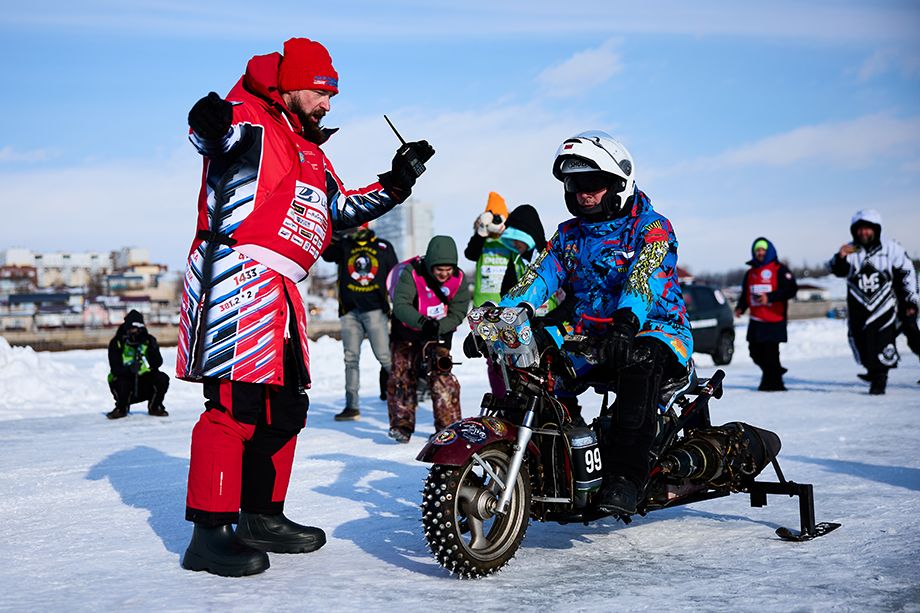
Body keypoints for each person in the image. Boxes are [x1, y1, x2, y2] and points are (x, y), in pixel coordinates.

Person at [175, 37, 434, 577]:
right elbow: (212, 137)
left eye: (331, 95)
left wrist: (398, 180)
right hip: (235, 279)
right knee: (233, 409)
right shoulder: (246, 118)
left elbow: (342, 208)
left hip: (285, 291)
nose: (327, 104)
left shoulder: (310, 147)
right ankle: (210, 533)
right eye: (320, 92)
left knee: (285, 408)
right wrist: (206, 118)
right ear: (288, 84)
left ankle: (261, 516)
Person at [486, 130, 693, 516]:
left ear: (619, 183)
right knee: (531, 356)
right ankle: (556, 454)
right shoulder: (569, 235)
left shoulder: (651, 227)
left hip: (655, 331)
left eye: (593, 183)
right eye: (575, 183)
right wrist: (501, 319)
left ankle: (625, 478)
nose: (583, 192)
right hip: (591, 336)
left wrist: (626, 322)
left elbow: (644, 279)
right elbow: (539, 278)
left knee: (640, 361)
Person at [387, 235, 470, 443]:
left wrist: (439, 327)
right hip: (407, 332)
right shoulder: (412, 273)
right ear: (430, 264)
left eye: (448, 270)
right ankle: (402, 426)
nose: (444, 274)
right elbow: (401, 305)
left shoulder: (458, 280)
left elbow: (458, 312)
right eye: (439, 269)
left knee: (442, 376)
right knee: (402, 376)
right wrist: (423, 322)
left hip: (437, 334)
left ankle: (447, 426)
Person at [829, 209, 919, 395]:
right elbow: (837, 270)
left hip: (893, 303)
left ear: (876, 229)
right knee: (862, 339)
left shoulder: (891, 248)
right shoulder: (851, 249)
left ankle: (879, 378)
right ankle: (873, 371)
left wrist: (910, 301)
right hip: (861, 306)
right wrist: (840, 257)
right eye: (860, 229)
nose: (864, 233)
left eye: (868, 229)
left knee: (906, 336)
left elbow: (907, 273)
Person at [321, 224, 398, 420]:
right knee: (350, 359)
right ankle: (351, 406)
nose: (356, 230)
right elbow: (327, 254)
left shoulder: (383, 246)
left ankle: (403, 399)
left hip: (375, 310)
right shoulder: (344, 245)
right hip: (349, 311)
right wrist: (333, 231)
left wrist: (398, 306)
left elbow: (396, 277)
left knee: (385, 357)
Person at [734, 238, 798, 391]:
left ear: (769, 251)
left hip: (774, 319)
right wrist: (740, 308)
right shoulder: (750, 273)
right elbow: (746, 294)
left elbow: (791, 289)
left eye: (763, 250)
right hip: (756, 320)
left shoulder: (779, 269)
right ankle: (775, 371)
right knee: (754, 352)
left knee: (770, 354)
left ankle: (774, 384)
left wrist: (769, 297)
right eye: (758, 250)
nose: (760, 253)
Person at [106, 310, 169, 419]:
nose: (133, 332)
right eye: (131, 329)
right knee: (120, 381)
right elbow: (115, 368)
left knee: (162, 378)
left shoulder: (148, 340)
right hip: (125, 382)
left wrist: (153, 350)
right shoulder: (117, 342)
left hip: (143, 381)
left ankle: (155, 407)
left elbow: (157, 364)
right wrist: (129, 369)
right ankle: (121, 408)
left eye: (136, 329)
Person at [464, 192, 514, 307]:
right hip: (482, 302)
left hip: (506, 301)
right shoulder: (481, 241)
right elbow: (470, 254)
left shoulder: (512, 242)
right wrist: (481, 232)